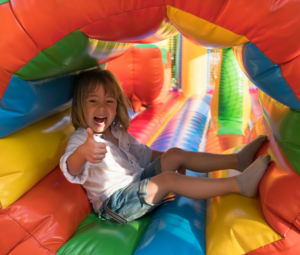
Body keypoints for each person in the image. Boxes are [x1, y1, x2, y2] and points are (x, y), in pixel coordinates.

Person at [60, 67, 270, 224]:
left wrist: (170, 159)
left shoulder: (116, 132)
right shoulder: (82, 138)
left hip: (137, 183)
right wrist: (82, 153)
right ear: (80, 105)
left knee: (174, 153)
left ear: (116, 106)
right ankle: (238, 185)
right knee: (168, 180)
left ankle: (237, 160)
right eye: (93, 101)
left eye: (109, 101)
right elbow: (71, 168)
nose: (102, 108)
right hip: (116, 204)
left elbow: (144, 154)